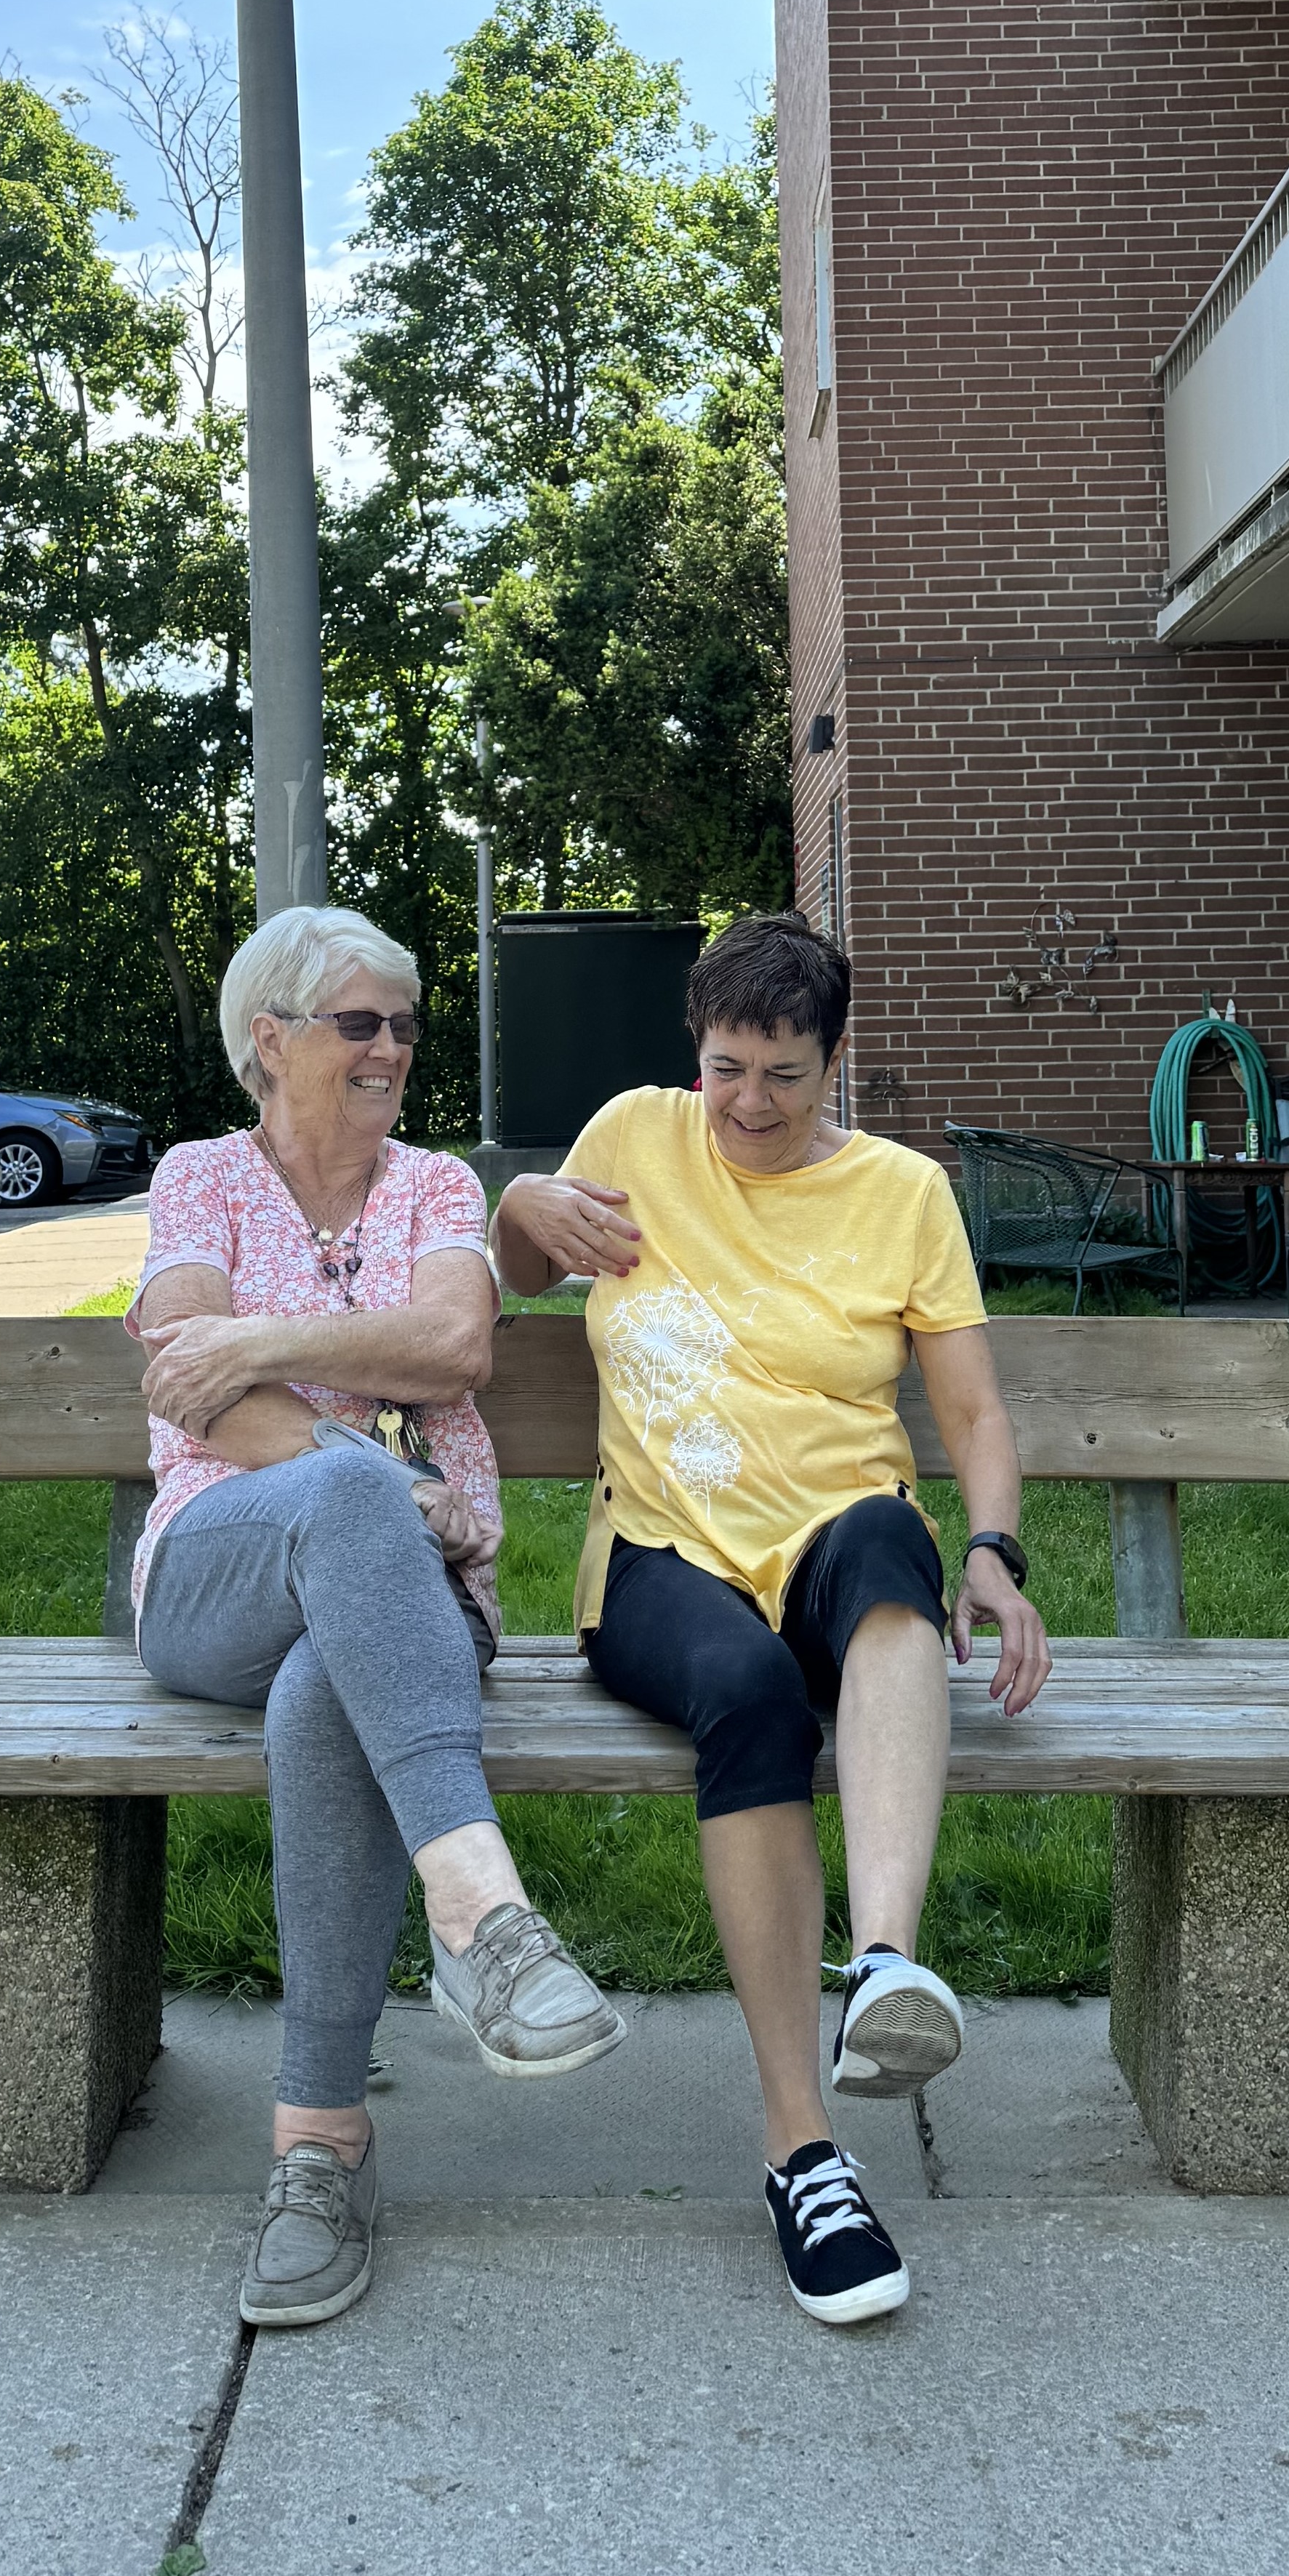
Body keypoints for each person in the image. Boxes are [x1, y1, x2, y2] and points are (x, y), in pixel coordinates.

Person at [491, 912, 1052, 2327]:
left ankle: (884, 1966)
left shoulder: (903, 1195)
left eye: (784, 1077)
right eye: (726, 1068)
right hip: (659, 1561)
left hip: (831, 1549)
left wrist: (994, 1550)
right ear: (697, 1050)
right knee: (744, 1688)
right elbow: (521, 1263)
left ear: (833, 1063)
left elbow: (975, 1412)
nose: (748, 1104)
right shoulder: (635, 1134)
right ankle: (804, 2149)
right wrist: (522, 1212)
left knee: (888, 1543)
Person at [131, 904, 624, 2331]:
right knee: (356, 1501)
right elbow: (193, 1391)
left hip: (414, 1615)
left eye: (406, 1024)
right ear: (268, 1040)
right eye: (362, 1022)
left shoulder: (432, 1191)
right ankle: (483, 1920)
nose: (393, 1048)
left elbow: (457, 1343)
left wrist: (265, 1340)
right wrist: (371, 1461)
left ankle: (317, 2151)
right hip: (218, 1575)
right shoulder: (200, 1180)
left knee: (321, 1694)